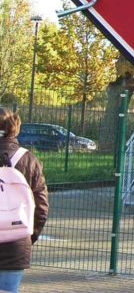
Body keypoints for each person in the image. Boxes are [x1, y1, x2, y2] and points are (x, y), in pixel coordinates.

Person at [0, 107, 48, 293]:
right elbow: (41, 207)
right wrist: (28, 236)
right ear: (15, 126)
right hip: (16, 241)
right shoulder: (29, 159)